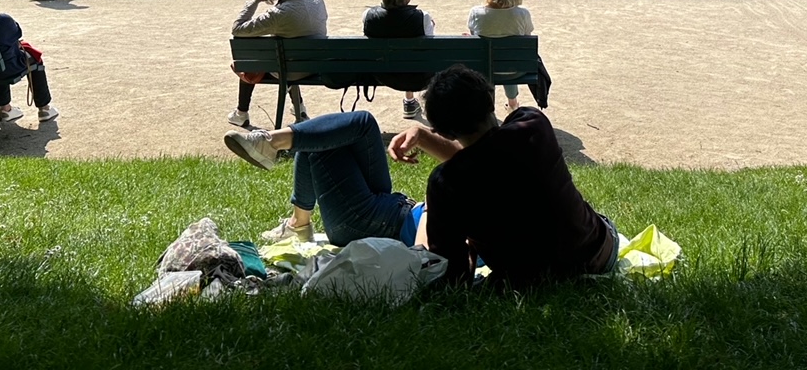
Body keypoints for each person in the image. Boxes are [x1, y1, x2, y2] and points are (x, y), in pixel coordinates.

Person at [223, 66, 617, 289]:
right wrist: (427, 140)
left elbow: (448, 271)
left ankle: (280, 153)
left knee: (351, 127)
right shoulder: (534, 125)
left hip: (384, 224)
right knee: (353, 128)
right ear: (488, 98)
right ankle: (291, 191)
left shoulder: (448, 185)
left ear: (445, 129)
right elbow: (491, 158)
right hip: (597, 248)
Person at [227, 0, 326, 128]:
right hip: (314, 65)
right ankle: (299, 109)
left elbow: (237, 29)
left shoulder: (277, 14)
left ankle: (241, 113)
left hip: (288, 69)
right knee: (288, 56)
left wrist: (256, 0)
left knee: (249, 60)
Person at [362, 0, 434, 118]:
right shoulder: (422, 18)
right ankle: (412, 102)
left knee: (404, 58)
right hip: (418, 76)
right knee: (413, 59)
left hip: (382, 74)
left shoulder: (368, 17)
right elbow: (427, 52)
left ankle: (409, 101)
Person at [467, 0, 530, 113]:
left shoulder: (476, 13)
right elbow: (526, 37)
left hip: (483, 68)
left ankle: (489, 106)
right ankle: (513, 103)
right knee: (507, 58)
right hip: (515, 68)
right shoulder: (522, 14)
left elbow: (473, 33)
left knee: (491, 59)